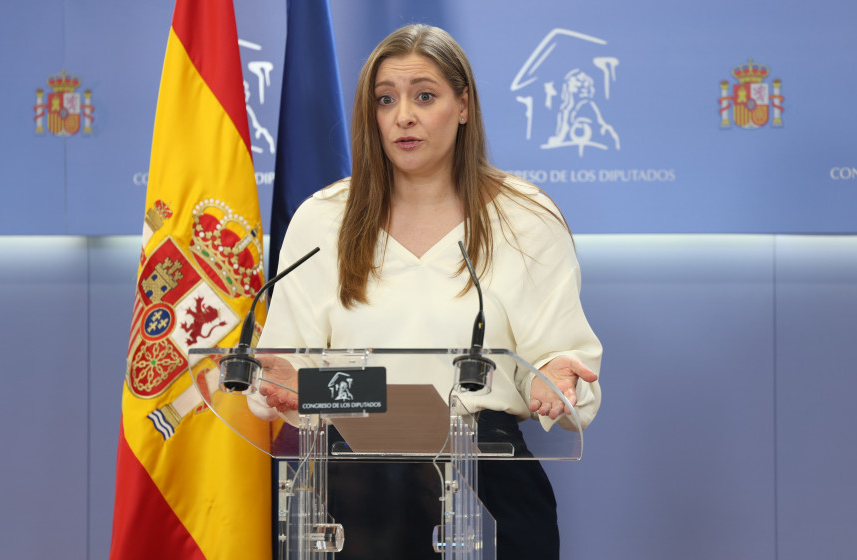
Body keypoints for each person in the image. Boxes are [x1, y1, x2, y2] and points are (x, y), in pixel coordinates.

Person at [252, 24, 602, 559]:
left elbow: (561, 354)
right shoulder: (323, 220)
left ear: (463, 105)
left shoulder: (524, 217)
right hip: (348, 489)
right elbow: (279, 368)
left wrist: (557, 376)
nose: (403, 116)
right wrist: (280, 382)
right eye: (385, 99)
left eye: (424, 96)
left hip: (491, 484)